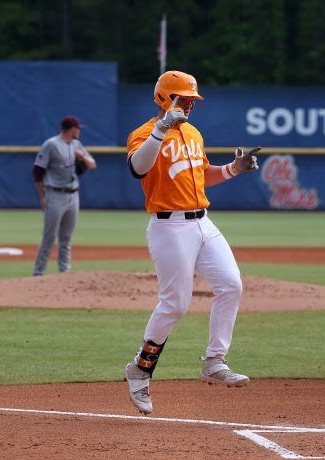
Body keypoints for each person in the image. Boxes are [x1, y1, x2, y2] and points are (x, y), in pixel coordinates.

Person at [123, 70, 262, 415]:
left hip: (203, 222)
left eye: (192, 100)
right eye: (183, 99)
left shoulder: (193, 133)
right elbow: (138, 169)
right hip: (169, 227)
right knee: (175, 304)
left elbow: (202, 175)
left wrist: (233, 168)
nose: (189, 105)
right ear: (163, 98)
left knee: (231, 285)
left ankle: (215, 361)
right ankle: (140, 370)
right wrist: (160, 129)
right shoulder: (144, 134)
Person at [32, 116, 97, 276]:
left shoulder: (76, 144)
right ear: (72, 129)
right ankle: (38, 273)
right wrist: (42, 196)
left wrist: (82, 156)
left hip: (73, 195)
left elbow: (92, 165)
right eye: (78, 128)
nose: (79, 130)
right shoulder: (51, 144)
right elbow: (37, 171)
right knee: (49, 236)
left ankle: (64, 273)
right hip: (54, 194)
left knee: (66, 238)